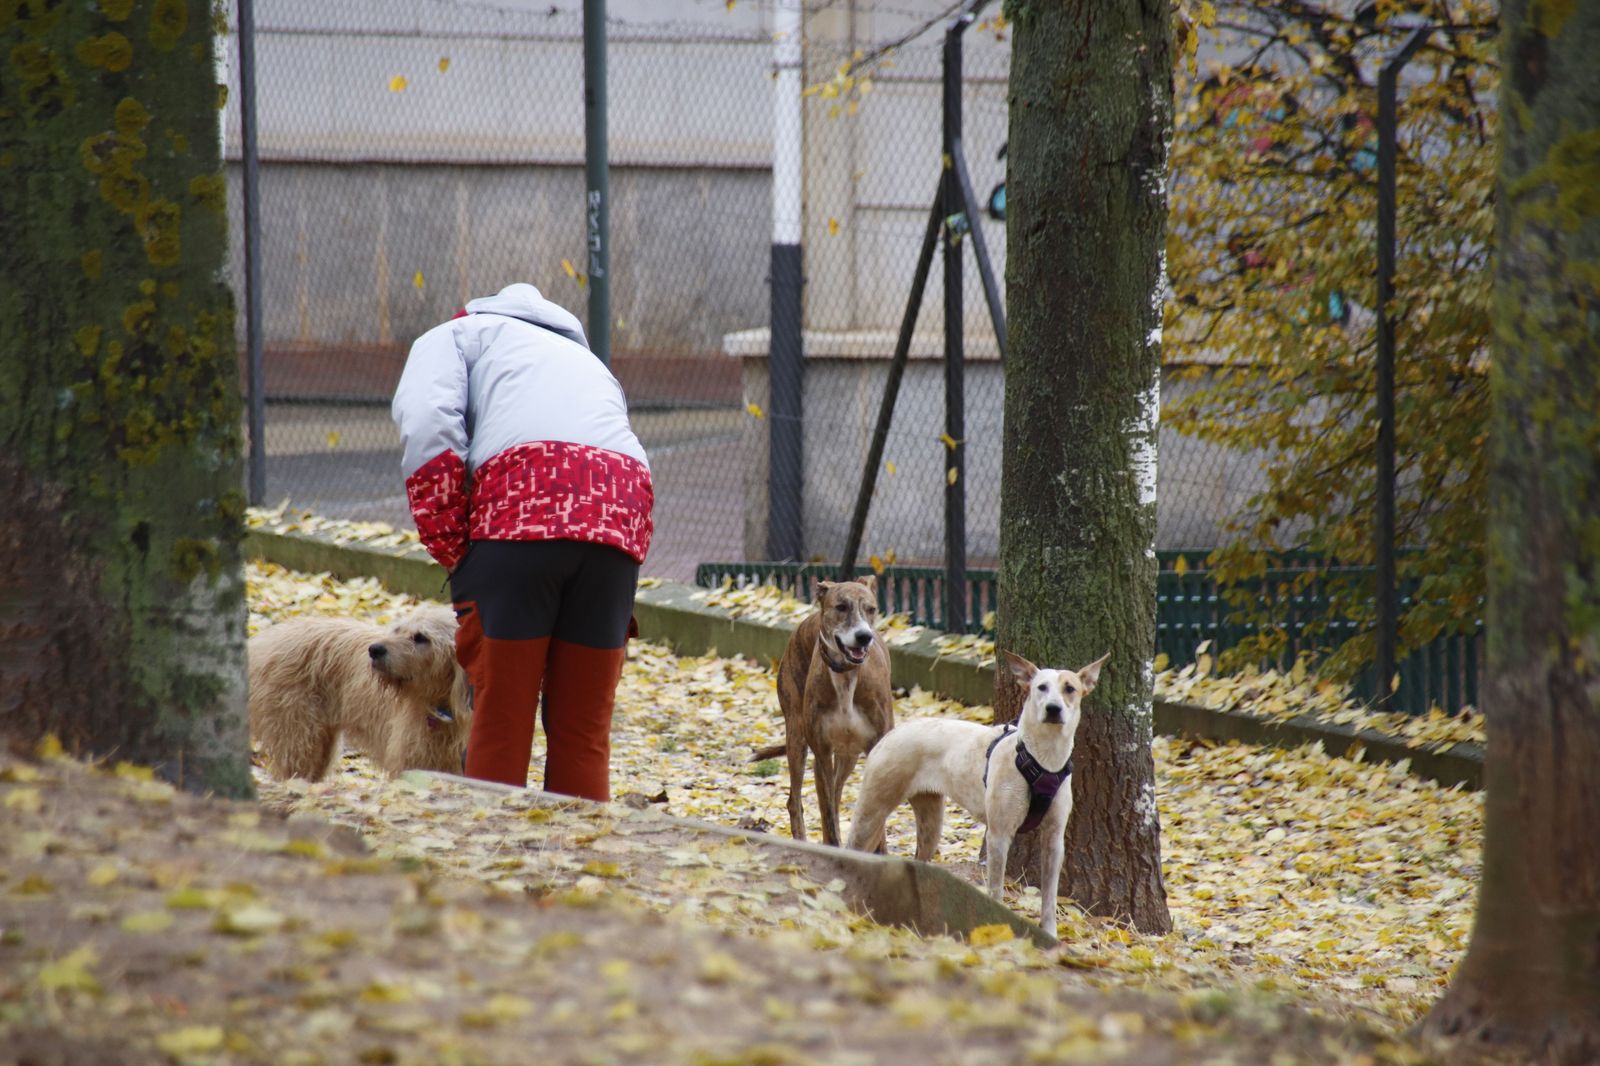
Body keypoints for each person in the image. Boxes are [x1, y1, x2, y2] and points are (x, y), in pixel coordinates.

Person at [392, 283, 652, 801]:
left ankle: (492, 848)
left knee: (501, 715)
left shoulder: (453, 337)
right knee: (583, 728)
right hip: (617, 519)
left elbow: (426, 428)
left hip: (518, 516)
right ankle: (580, 849)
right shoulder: (589, 362)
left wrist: (454, 549)